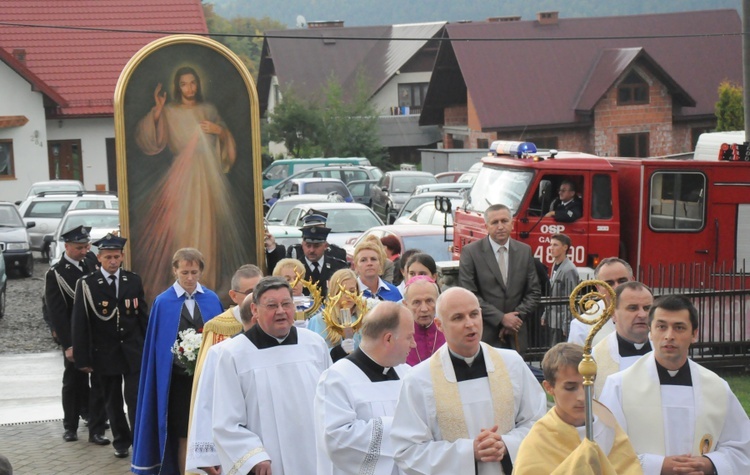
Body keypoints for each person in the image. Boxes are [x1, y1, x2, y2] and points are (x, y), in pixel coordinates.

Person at [390, 287, 546, 475]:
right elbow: (408, 450)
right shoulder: (419, 379)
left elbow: (538, 422)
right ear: (439, 324)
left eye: (474, 314)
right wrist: (468, 452)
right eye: (458, 318)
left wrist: (506, 444)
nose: (470, 324)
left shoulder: (511, 363)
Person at [134, 66, 250, 300]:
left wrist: (220, 131)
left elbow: (228, 147)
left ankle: (207, 284)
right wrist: (157, 111)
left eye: (193, 83)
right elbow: (149, 140)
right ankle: (183, 284)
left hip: (208, 178)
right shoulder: (169, 111)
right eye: (184, 84)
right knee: (183, 226)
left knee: (208, 226)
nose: (189, 88)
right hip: (181, 177)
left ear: (198, 84)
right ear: (178, 87)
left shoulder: (208, 110)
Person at [599, 295, 750, 475]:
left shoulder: (716, 387)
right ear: (650, 332)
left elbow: (742, 448)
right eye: (661, 327)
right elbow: (605, 449)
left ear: (694, 334)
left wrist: (709, 464)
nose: (669, 336)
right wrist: (658, 466)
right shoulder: (619, 386)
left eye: (679, 328)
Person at [211, 277, 332, 474]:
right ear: (254, 310)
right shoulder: (234, 353)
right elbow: (226, 421)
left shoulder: (314, 345)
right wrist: (254, 456)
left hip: (313, 457)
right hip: (267, 463)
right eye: (271, 305)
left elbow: (331, 402)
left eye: (286, 304)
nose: (281, 311)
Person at [132, 248, 223, 475]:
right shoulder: (163, 303)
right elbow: (159, 349)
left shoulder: (211, 299)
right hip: (178, 384)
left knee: (210, 431)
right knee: (184, 433)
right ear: (175, 271)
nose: (190, 278)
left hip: (207, 380)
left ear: (201, 271)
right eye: (184, 273)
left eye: (194, 272)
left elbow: (220, 339)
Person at [314, 301, 415, 475]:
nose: (413, 344)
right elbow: (337, 439)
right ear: (388, 339)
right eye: (409, 337)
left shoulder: (408, 374)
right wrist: (402, 427)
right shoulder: (336, 379)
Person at [71, 233, 148, 459]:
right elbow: (80, 323)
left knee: (135, 400)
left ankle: (139, 442)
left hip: (133, 351)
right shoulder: (87, 284)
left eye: (116, 257)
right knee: (113, 401)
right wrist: (83, 358)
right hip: (104, 353)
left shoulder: (132, 280)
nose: (112, 262)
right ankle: (121, 441)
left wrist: (148, 347)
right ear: (99, 258)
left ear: (122, 257)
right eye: (108, 257)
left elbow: (142, 316)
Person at [514, 343, 641, 474]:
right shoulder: (538, 440)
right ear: (549, 387)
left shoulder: (607, 425)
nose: (582, 396)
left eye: (588, 385)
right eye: (570, 387)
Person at [185, 264, 263, 475]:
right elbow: (207, 388)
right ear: (233, 296)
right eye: (249, 293)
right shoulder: (219, 327)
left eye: (260, 290)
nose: (256, 297)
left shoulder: (273, 326)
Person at [45, 225, 106, 444]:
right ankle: (70, 425)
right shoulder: (57, 274)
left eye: (87, 246)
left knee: (99, 379)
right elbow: (58, 313)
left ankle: (95, 418)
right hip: (74, 334)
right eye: (80, 247)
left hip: (96, 334)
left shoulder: (91, 261)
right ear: (67, 246)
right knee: (73, 381)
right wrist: (68, 345)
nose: (84, 251)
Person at [458, 203, 541, 354]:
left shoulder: (524, 251)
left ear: (512, 224)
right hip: (485, 335)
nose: (500, 226)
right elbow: (469, 295)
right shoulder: (471, 253)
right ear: (486, 226)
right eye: (495, 222)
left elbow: (534, 292)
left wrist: (515, 319)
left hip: (516, 335)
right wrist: (501, 318)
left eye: (504, 221)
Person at [592, 281, 653, 397]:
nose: (642, 314)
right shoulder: (597, 357)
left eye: (647, 308)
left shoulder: (665, 351)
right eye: (633, 308)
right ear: (613, 314)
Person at [568, 257, 634, 347]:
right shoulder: (582, 326)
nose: (617, 287)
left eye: (622, 281)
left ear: (633, 281)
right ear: (598, 288)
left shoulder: (650, 316)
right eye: (609, 283)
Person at [307, 269, 365, 362]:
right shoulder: (320, 320)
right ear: (334, 293)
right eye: (342, 291)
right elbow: (314, 355)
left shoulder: (364, 319)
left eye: (352, 290)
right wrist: (339, 351)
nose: (348, 295)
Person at [289, 216, 348, 297]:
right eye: (308, 246)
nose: (311, 250)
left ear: (325, 246)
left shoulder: (338, 267)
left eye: (316, 246)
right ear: (302, 245)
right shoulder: (294, 269)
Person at [541, 233, 580, 346]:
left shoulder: (569, 270)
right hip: (553, 320)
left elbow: (570, 299)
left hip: (561, 322)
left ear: (565, 247)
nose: (551, 248)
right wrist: (545, 314)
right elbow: (551, 294)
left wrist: (566, 324)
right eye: (551, 245)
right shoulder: (555, 264)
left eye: (555, 245)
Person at [401, 276, 445, 366]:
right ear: (405, 305)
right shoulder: (397, 338)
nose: (424, 309)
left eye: (429, 301)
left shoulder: (448, 332)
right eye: (416, 302)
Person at [354, 237, 402, 302]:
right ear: (356, 266)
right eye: (363, 260)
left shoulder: (394, 292)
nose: (369, 263)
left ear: (380, 264)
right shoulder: (350, 294)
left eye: (373, 259)